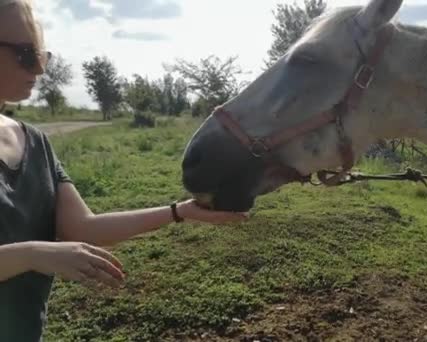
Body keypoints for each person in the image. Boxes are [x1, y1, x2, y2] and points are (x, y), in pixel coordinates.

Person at [0, 0, 248, 340]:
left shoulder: (36, 143)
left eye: (44, 56)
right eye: (27, 55)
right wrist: (31, 254)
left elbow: (84, 228)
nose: (40, 70)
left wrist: (180, 212)